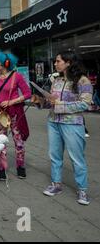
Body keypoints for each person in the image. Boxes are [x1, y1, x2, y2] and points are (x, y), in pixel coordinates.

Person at [33, 51, 93, 205]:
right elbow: (51, 103)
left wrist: (60, 104)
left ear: (68, 62)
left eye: (58, 61)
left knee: (77, 158)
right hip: (53, 122)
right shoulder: (57, 81)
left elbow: (85, 104)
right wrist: (40, 101)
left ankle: (83, 190)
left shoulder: (83, 81)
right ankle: (56, 184)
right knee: (55, 155)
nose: (55, 63)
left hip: (72, 123)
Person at [0, 52, 31, 181]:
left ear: (6, 63)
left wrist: (11, 102)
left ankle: (20, 166)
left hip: (14, 112)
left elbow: (27, 94)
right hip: (0, 114)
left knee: (18, 140)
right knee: (1, 141)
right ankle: (2, 168)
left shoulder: (17, 76)